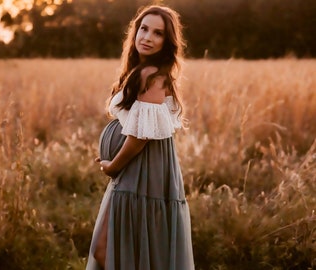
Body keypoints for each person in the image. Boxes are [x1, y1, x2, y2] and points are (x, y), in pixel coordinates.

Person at [85, 4, 195, 270]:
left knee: (106, 250)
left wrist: (113, 166)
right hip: (137, 172)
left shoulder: (152, 75)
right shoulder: (142, 71)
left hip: (142, 172)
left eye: (157, 33)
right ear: (134, 31)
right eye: (143, 29)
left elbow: (138, 138)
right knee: (128, 250)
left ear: (167, 42)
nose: (147, 37)